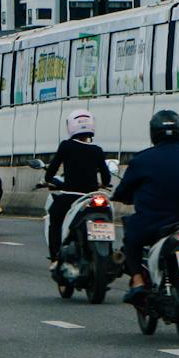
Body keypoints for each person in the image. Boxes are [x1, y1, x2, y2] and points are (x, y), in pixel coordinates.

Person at [112, 110, 179, 306]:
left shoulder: (142, 160)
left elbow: (124, 190)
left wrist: (122, 197)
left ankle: (138, 280)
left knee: (131, 240)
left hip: (153, 223)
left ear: (153, 133)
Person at [42, 110, 113, 264]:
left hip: (71, 195)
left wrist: (49, 179)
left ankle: (55, 257)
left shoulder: (66, 146)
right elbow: (107, 178)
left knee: (54, 216)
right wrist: (103, 184)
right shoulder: (97, 150)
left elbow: (52, 171)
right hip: (91, 196)